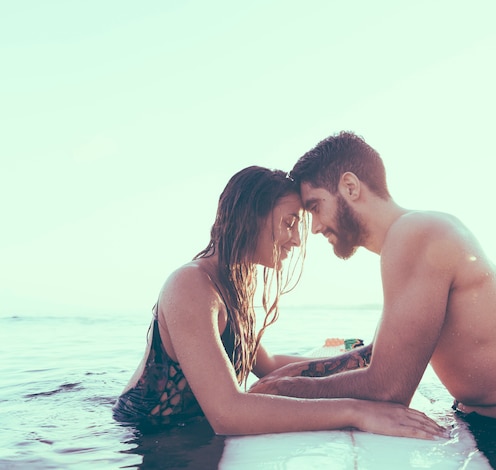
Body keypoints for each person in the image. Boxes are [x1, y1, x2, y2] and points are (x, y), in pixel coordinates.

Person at [249, 132, 496, 426]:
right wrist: (287, 372)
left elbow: (389, 388)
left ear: (349, 187)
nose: (317, 226)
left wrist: (286, 391)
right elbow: (374, 357)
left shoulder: (416, 234)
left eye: (316, 207)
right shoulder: (409, 238)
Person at [113, 165, 445, 439]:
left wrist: (366, 358)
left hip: (185, 433)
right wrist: (356, 411)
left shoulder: (232, 285)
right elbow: (227, 413)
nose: (298, 238)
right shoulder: (190, 285)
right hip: (139, 440)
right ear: (250, 216)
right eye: (289, 223)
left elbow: (268, 366)